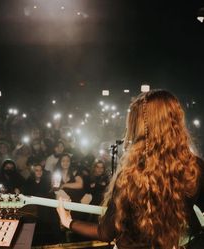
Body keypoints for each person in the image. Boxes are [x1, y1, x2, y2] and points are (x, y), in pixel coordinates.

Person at [57, 90, 204, 249]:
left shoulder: (132, 175)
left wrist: (68, 221)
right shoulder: (195, 168)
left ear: (139, 127)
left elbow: (106, 233)